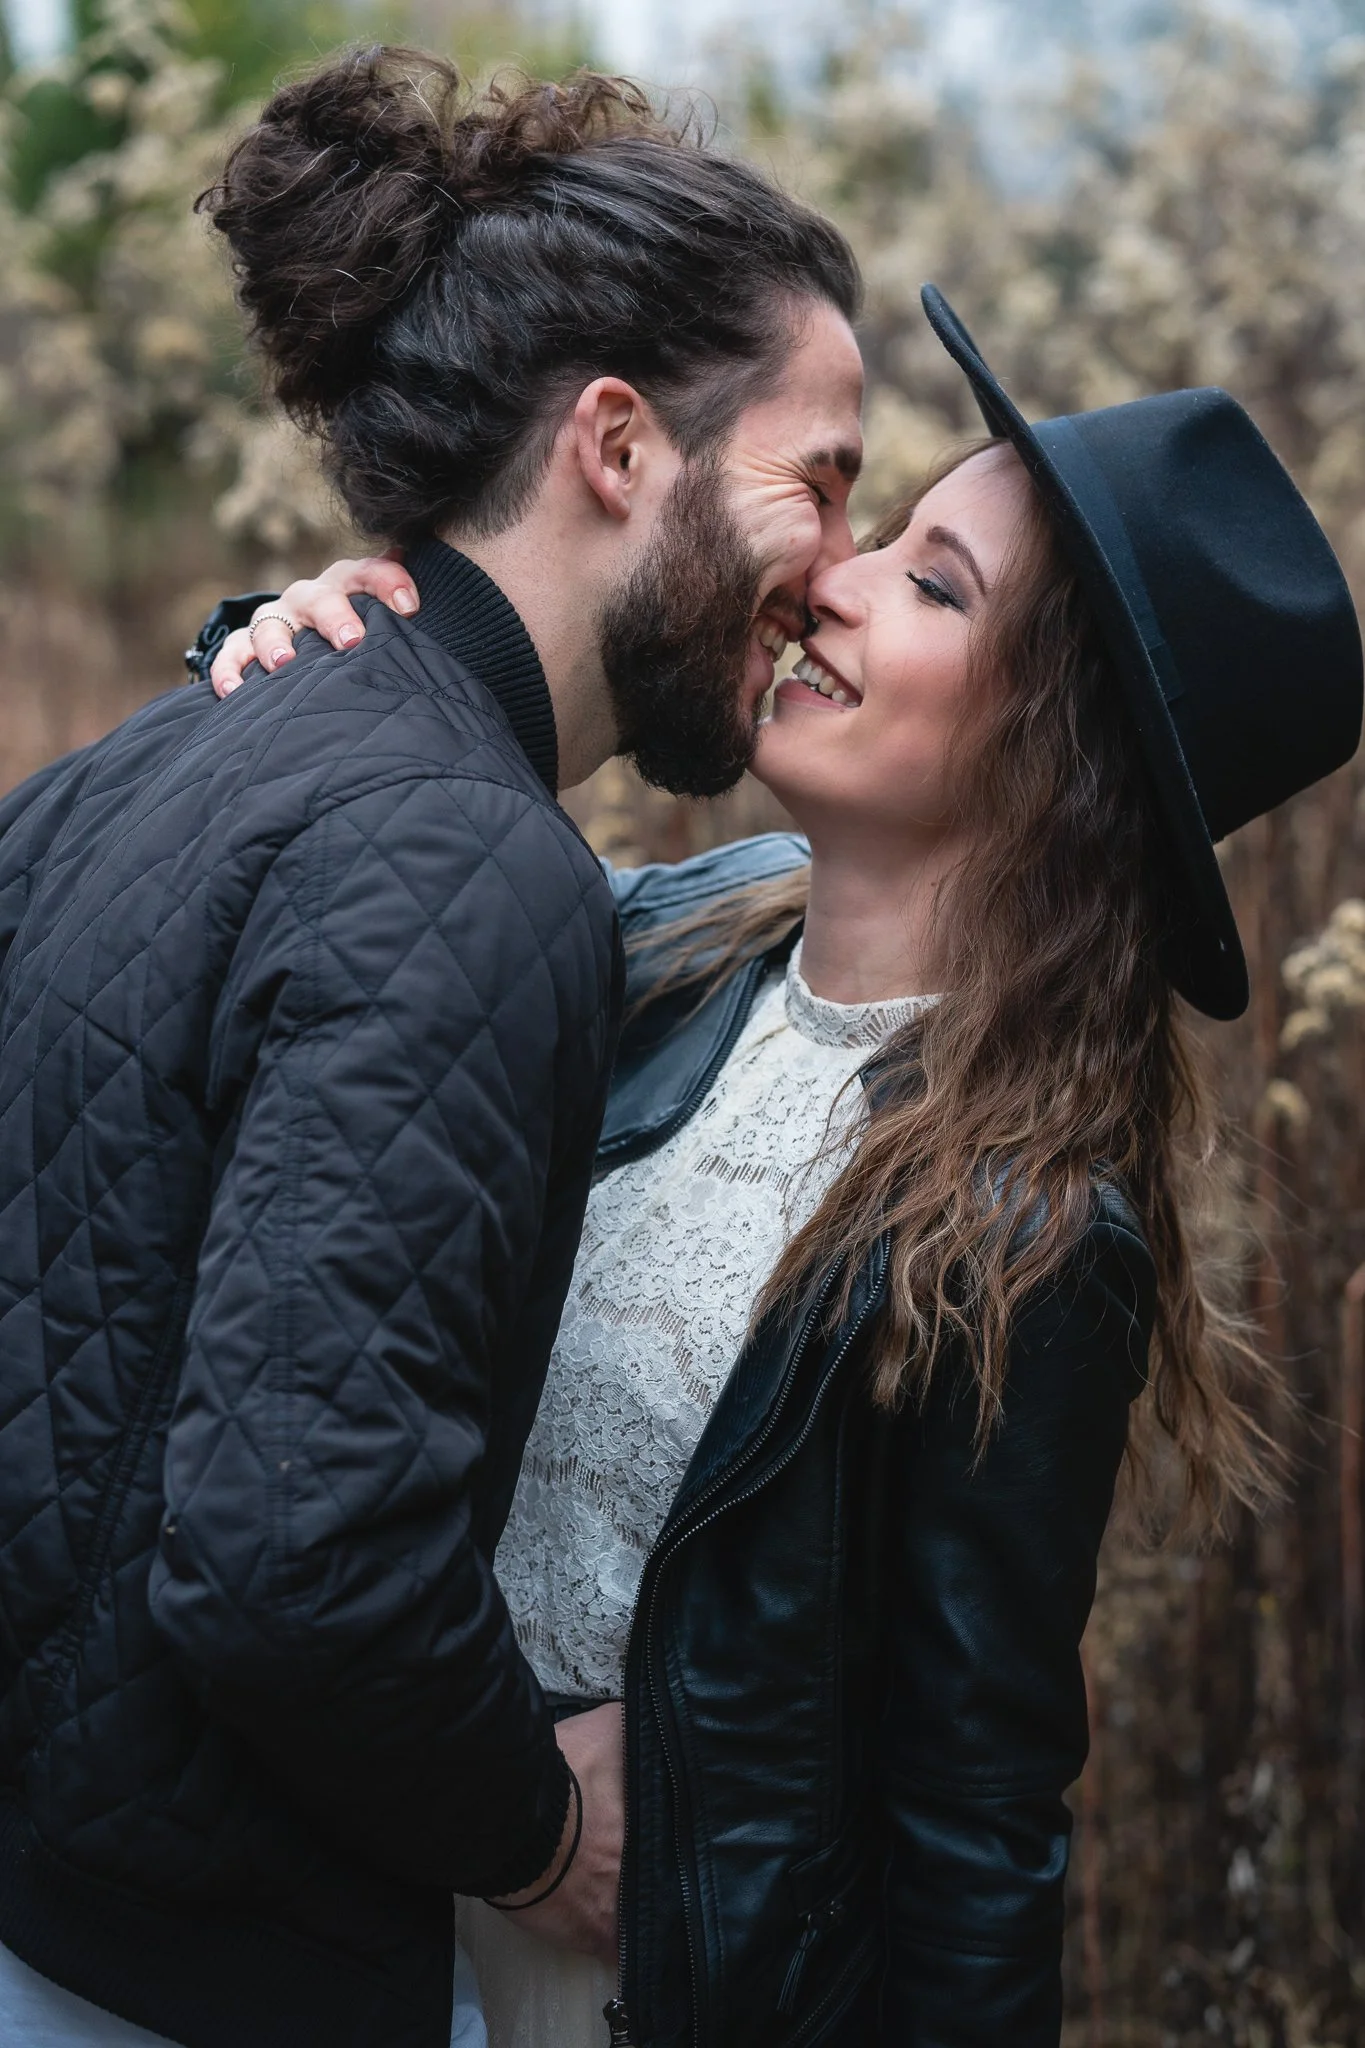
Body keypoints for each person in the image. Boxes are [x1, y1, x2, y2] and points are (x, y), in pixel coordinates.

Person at [209, 287, 1363, 2047]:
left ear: (1060, 755)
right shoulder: (655, 943)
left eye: (933, 582)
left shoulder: (1031, 1225)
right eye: (882, 529)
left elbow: (976, 1809)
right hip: (359, 1906)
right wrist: (310, 642)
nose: (829, 575)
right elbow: (358, 912)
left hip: (641, 1985)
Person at [0, 48, 866, 2048]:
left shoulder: (186, 738)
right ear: (619, 444)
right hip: (185, 1977)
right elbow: (297, 1557)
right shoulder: (473, 866)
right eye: (815, 478)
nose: (830, 556)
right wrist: (535, 1832)